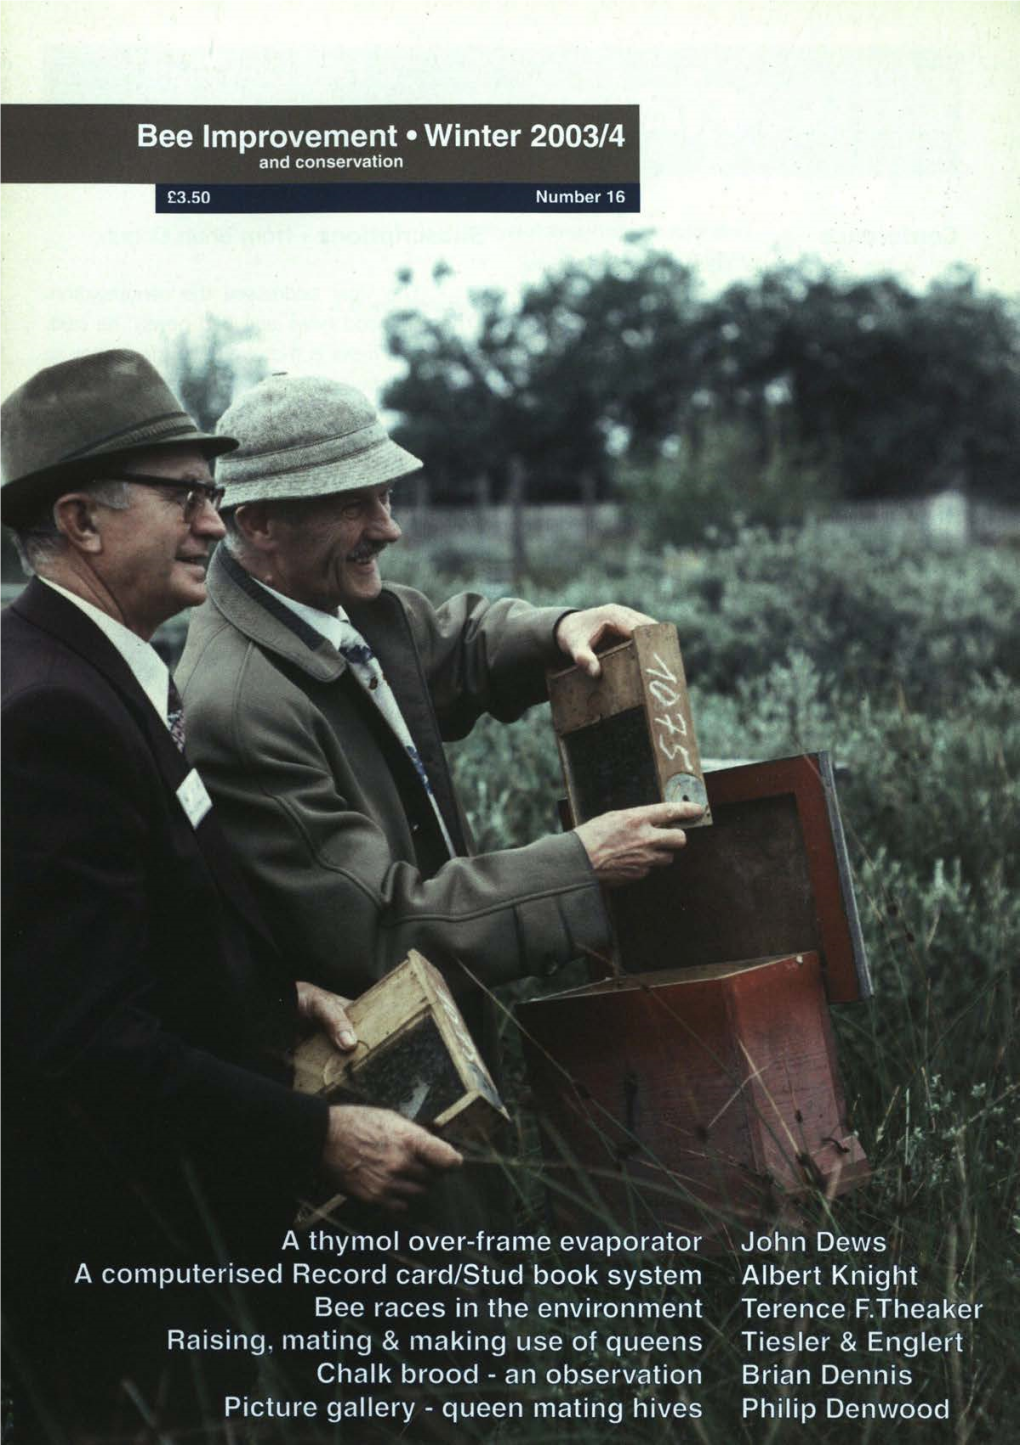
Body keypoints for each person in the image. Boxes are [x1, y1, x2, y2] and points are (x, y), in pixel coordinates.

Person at [0, 351, 461, 1435]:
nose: (217, 520)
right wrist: (316, 1137)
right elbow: (80, 1035)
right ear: (82, 519)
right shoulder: (47, 716)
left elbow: (130, 927)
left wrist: (268, 987)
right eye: (187, 494)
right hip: (111, 1252)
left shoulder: (98, 670)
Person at [177, 373, 703, 1151]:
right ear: (256, 524)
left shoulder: (330, 602)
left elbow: (449, 645)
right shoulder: (242, 706)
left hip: (439, 1051)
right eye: (354, 503)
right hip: (382, 1095)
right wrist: (579, 865)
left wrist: (559, 628)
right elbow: (382, 924)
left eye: (385, 498)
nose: (388, 530)